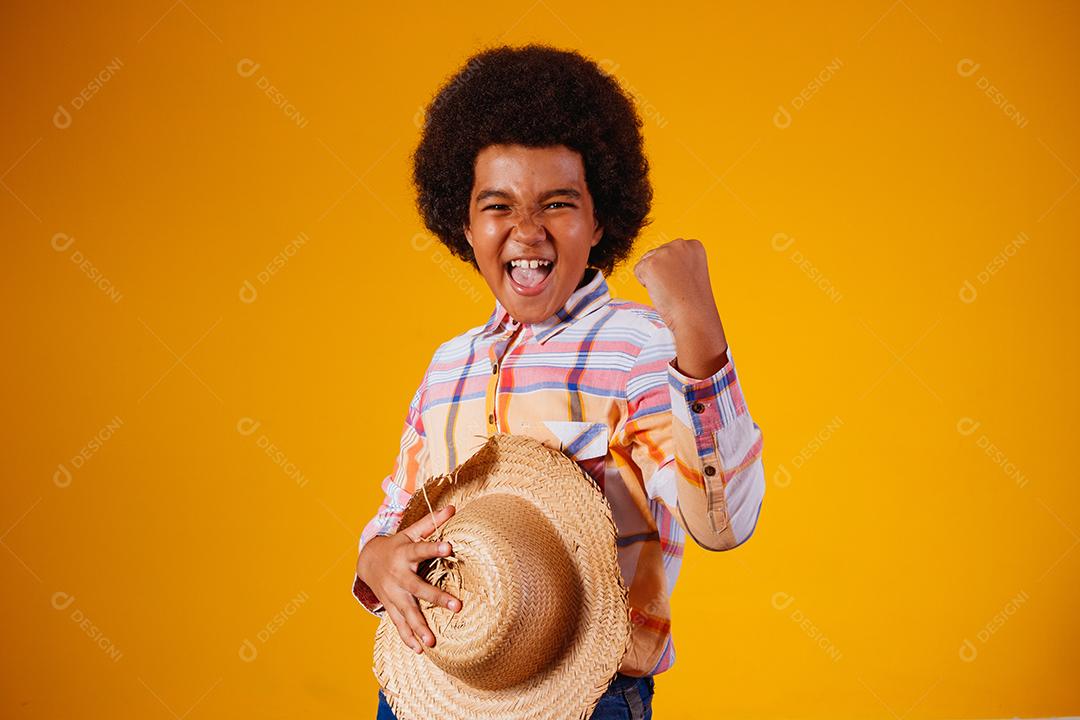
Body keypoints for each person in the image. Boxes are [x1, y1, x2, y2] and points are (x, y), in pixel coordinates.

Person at [352, 43, 766, 720]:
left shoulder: (638, 347)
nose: (526, 230)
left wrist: (698, 333)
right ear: (462, 221)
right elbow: (399, 505)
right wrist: (375, 560)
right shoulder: (448, 365)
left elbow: (724, 521)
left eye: (558, 203)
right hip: (434, 683)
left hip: (588, 693)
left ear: (600, 219)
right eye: (497, 205)